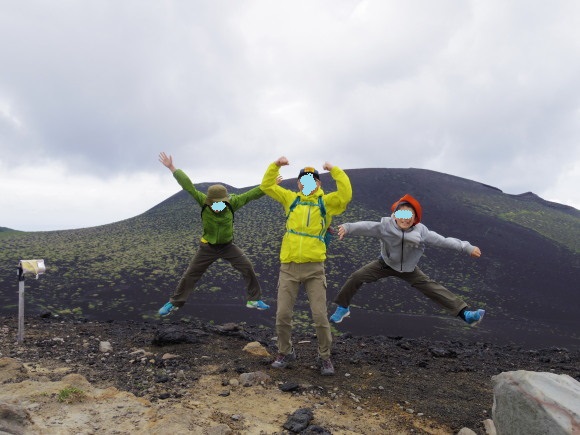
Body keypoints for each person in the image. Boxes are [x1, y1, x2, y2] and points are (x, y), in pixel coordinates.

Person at [330, 194, 485, 326]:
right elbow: (367, 226)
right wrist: (347, 227)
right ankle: (343, 307)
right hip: (385, 264)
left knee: (433, 288)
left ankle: (465, 314)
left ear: (415, 217)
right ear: (395, 215)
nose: (405, 219)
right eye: (401, 214)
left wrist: (467, 247)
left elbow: (443, 241)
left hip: (410, 270)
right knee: (357, 277)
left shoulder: (421, 232)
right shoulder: (386, 227)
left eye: (409, 215)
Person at [260, 156, 352, 376]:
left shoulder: (326, 203)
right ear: (299, 183)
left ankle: (325, 357)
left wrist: (335, 169)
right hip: (289, 266)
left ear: (319, 183)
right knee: (282, 314)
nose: (308, 183)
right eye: (304, 179)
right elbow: (266, 186)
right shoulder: (291, 199)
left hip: (314, 268)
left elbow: (346, 195)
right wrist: (275, 166)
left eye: (313, 179)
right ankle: (285, 351)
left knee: (320, 316)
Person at [158, 152, 270, 316]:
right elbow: (188, 185)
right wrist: (172, 168)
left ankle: (254, 299)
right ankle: (174, 303)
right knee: (191, 274)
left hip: (227, 246)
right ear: (209, 201)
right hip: (207, 247)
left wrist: (270, 185)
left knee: (247, 267)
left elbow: (253, 194)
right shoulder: (202, 201)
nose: (218, 206)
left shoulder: (233, 202)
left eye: (221, 203)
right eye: (214, 204)